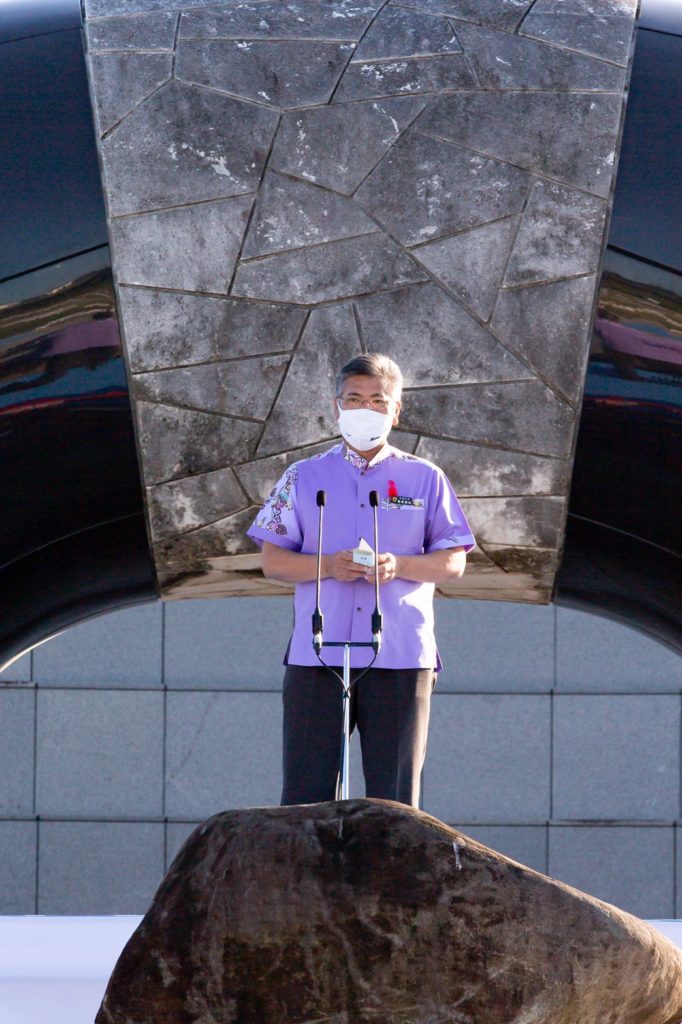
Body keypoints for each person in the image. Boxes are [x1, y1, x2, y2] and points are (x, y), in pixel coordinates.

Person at [246, 353, 475, 808]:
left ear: (396, 411)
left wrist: (399, 566)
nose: (364, 409)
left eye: (377, 401)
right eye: (354, 399)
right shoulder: (302, 476)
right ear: (336, 407)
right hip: (318, 654)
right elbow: (272, 560)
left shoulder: (425, 478)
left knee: (395, 803)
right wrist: (327, 566)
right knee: (305, 800)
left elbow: (454, 561)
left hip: (400, 653)